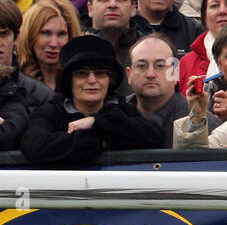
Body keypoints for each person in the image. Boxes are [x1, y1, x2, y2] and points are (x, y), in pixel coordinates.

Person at [19, 34, 160, 165]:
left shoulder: (123, 109)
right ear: (69, 81)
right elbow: (35, 146)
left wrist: (96, 122)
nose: (92, 80)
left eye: (100, 73)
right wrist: (102, 142)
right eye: (82, 74)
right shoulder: (50, 111)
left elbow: (154, 136)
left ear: (109, 79)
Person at [17, 0, 82, 92]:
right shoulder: (15, 82)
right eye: (46, 33)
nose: (54, 44)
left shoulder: (81, 81)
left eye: (61, 34)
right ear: (30, 35)